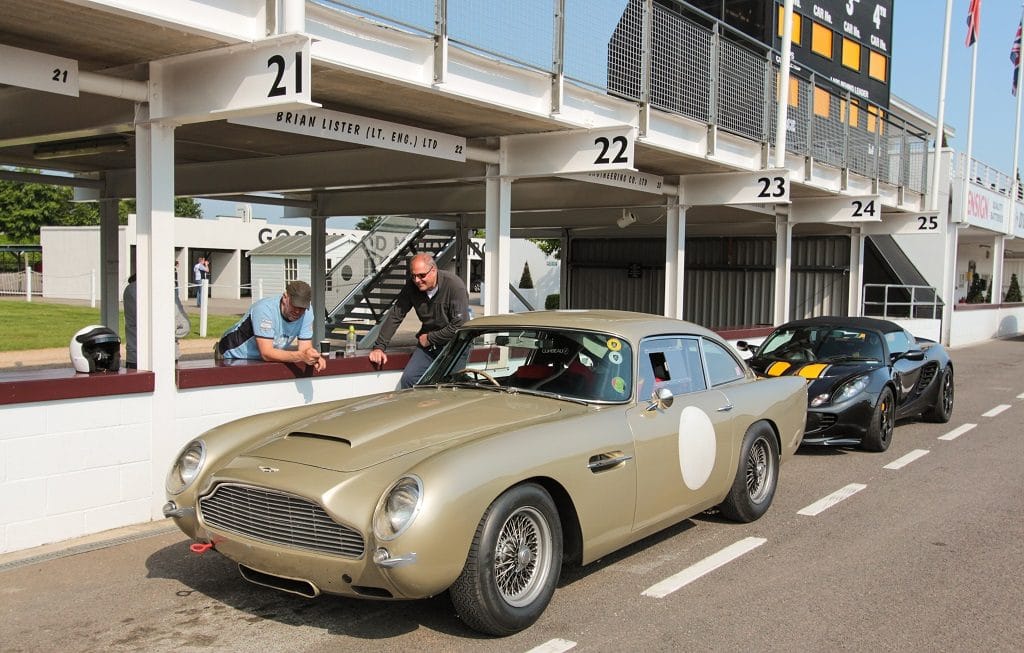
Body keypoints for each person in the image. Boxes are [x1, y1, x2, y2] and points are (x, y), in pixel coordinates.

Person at [368, 253, 470, 388]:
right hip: (428, 346)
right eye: (413, 276)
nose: (417, 280)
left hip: (455, 345)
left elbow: (459, 326)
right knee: (409, 380)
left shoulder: (455, 286)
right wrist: (379, 347)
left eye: (422, 275)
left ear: (433, 270)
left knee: (450, 387)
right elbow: (396, 315)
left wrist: (430, 338)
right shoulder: (412, 286)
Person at [215, 279, 326, 372]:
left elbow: (305, 348)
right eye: (295, 305)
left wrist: (313, 356)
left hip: (259, 359)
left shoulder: (307, 312)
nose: (298, 311)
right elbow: (267, 353)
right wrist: (301, 356)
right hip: (230, 355)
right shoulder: (264, 309)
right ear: (285, 297)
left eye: (302, 308)